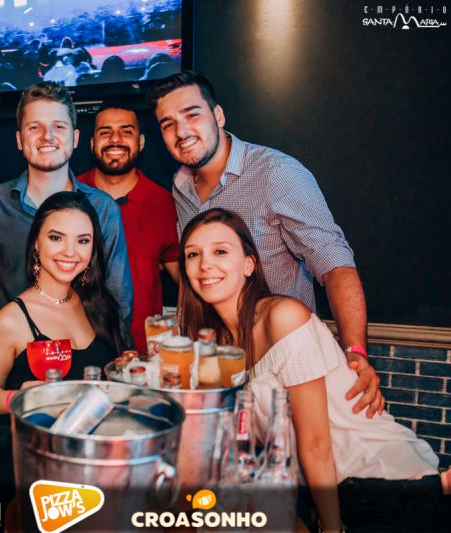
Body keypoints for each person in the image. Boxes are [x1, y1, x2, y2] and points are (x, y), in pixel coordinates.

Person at [178, 208, 449, 532]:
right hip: (325, 492)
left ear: (249, 264)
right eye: (193, 254)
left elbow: (316, 443)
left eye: (220, 251)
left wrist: (330, 528)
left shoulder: (283, 317)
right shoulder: (219, 342)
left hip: (386, 485)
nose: (205, 264)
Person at [150, 71, 383, 417]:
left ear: (218, 115)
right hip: (227, 372)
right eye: (168, 124)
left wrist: (356, 352)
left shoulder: (276, 173)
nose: (181, 131)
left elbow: (334, 264)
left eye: (192, 114)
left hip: (287, 365)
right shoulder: (181, 187)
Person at [0, 191, 124, 509]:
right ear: (36, 244)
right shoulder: (13, 319)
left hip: (94, 467)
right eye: (57, 237)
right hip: (35, 472)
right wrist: (19, 397)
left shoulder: (97, 305)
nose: (70, 251)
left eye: (83, 241)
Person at [0, 81, 133, 346]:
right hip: (13, 355)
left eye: (59, 127)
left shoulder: (102, 208)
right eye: (35, 127)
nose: (47, 136)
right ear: (19, 139)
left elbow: (118, 298)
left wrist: (117, 358)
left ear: (75, 138)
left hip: (86, 355)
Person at [77, 102, 180, 352]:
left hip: (143, 355)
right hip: (80, 348)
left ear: (141, 142)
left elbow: (187, 283)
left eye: (126, 131)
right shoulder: (70, 196)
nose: (115, 139)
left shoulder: (164, 203)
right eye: (105, 132)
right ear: (92, 143)